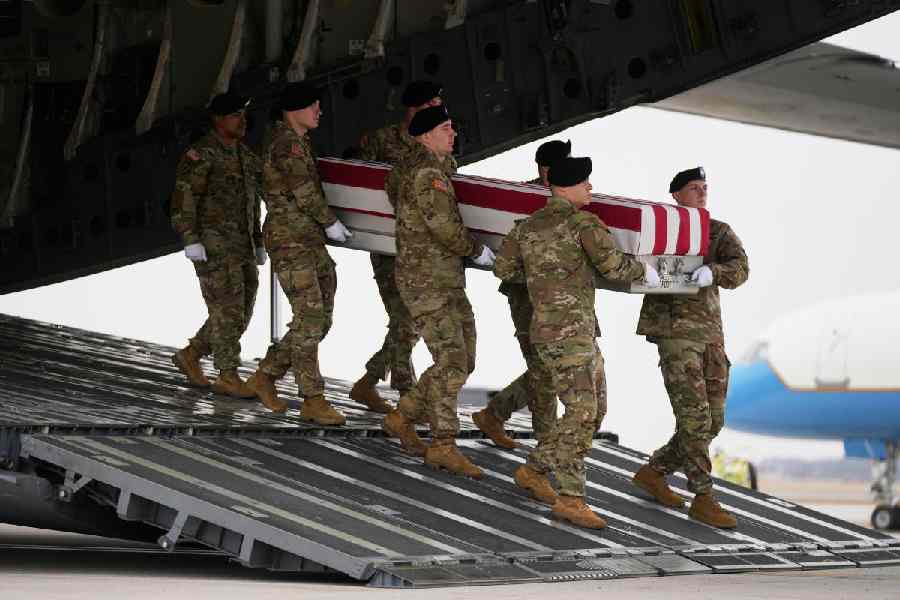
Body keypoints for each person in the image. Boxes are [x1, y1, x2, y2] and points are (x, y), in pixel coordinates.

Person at [494, 156, 659, 529]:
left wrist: (541, 278)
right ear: (566, 187)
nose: (590, 188)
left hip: (556, 332)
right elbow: (615, 267)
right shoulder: (584, 223)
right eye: (585, 182)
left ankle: (535, 469)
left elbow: (503, 269)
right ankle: (571, 498)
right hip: (572, 334)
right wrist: (648, 271)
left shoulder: (527, 227)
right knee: (584, 413)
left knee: (593, 410)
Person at [631, 167, 749, 529]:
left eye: (704, 188)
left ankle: (656, 470)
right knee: (695, 418)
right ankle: (703, 496)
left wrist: (714, 271)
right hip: (675, 332)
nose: (701, 193)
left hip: (710, 334)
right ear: (677, 195)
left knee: (713, 420)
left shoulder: (718, 231)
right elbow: (636, 263)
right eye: (694, 189)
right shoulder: (660, 228)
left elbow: (741, 268)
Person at [381, 105, 496, 477]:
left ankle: (404, 416)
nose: (454, 134)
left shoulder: (425, 168)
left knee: (465, 359)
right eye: (446, 128)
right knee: (452, 361)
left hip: (443, 278)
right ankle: (443, 444)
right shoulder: (426, 173)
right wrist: (478, 250)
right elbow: (444, 226)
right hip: (427, 279)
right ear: (426, 134)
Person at [243, 82, 353, 422]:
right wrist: (331, 221)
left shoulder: (298, 141)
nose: (319, 111)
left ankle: (266, 375)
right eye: (313, 106)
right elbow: (304, 192)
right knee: (311, 316)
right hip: (291, 237)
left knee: (322, 315)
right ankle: (312, 399)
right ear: (294, 110)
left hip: (307, 237)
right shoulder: (286, 144)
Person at [348, 80, 444, 413]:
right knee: (405, 317)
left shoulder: (440, 145)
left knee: (410, 318)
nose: (437, 109)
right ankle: (402, 389)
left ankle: (376, 382)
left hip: (424, 248)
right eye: (431, 103)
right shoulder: (380, 141)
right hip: (388, 241)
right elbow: (359, 182)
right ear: (415, 107)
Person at [472, 139, 572, 449]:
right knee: (544, 367)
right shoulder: (521, 200)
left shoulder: (567, 194)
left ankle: (497, 415)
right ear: (546, 169)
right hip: (527, 293)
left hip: (560, 297)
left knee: (549, 367)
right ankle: (544, 441)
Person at [169, 92, 265, 398]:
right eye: (236, 115)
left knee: (242, 310)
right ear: (218, 119)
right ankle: (227, 374)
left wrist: (259, 241)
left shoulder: (246, 157)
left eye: (243, 114)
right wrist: (189, 238)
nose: (243, 120)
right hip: (214, 246)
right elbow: (184, 198)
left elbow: (252, 205)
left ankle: (192, 353)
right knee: (227, 310)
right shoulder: (202, 154)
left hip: (243, 247)